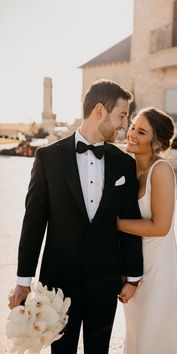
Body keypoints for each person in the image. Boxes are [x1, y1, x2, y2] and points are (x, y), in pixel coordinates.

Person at [8, 79, 143, 354]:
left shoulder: (124, 164)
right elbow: (33, 222)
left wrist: (133, 276)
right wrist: (23, 281)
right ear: (99, 111)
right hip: (59, 285)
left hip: (106, 281)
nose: (124, 124)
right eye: (121, 115)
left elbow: (130, 220)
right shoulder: (48, 158)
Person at [118, 107, 177, 354]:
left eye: (141, 131)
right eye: (133, 127)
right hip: (135, 265)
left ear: (158, 143)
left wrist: (112, 223)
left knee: (153, 334)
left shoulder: (161, 171)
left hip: (159, 267)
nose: (131, 133)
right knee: (138, 331)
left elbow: (160, 227)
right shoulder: (129, 168)